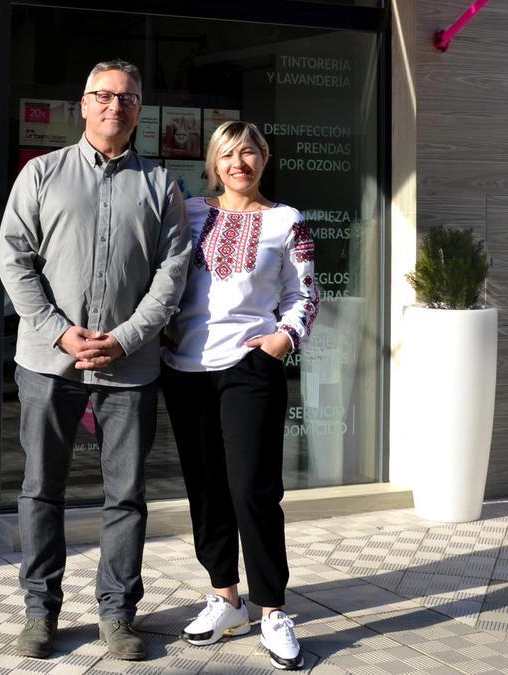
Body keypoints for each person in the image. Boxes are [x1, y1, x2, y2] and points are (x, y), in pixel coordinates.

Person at [0, 59, 191, 661]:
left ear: (140, 110)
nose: (116, 106)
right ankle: (40, 612)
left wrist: (128, 337)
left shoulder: (161, 186)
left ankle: (118, 614)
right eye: (104, 96)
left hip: (130, 367)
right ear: (82, 105)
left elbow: (173, 272)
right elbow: (14, 260)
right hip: (49, 363)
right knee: (40, 491)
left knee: (126, 496)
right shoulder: (41, 175)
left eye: (129, 99)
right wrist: (59, 333)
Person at [160, 120, 318, 671]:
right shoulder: (189, 213)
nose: (238, 164)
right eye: (227, 154)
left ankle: (272, 609)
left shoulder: (285, 221)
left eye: (248, 153)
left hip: (250, 367)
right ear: (212, 162)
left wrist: (283, 339)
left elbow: (306, 293)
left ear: (264, 159)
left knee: (252, 489)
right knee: (205, 491)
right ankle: (225, 597)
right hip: (185, 368)